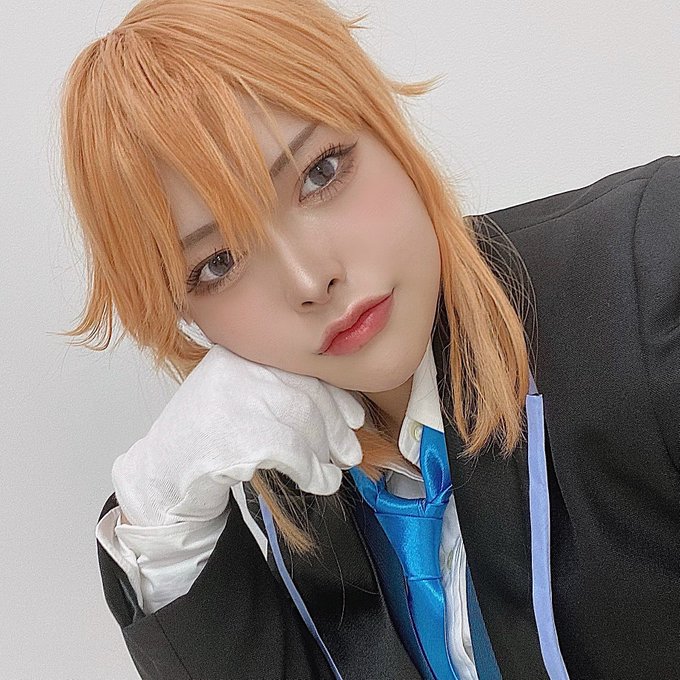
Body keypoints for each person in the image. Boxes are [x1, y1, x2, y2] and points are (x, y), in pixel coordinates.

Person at [58, 0, 680, 678]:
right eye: (219, 263)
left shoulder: (652, 277)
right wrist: (165, 518)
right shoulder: (292, 471)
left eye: (321, 172)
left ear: (384, 123)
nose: (310, 279)